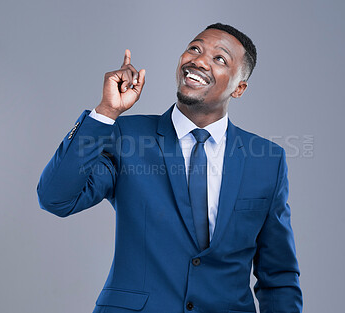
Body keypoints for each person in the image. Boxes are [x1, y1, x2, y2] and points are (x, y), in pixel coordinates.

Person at [37, 23, 302, 313]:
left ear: (239, 88)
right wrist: (106, 112)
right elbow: (56, 198)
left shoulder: (266, 160)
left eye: (219, 58)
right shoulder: (127, 136)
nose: (199, 60)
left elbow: (278, 274)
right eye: (195, 48)